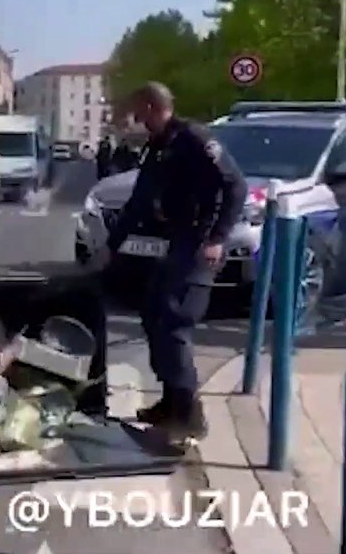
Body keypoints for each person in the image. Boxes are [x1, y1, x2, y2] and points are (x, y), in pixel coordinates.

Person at [105, 82, 247, 440]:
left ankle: (189, 415)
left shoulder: (194, 140)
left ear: (153, 107)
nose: (137, 119)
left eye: (140, 111)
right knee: (154, 314)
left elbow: (236, 186)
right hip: (176, 242)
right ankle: (169, 402)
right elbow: (140, 200)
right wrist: (112, 245)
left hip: (199, 244)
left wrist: (217, 238)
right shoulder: (157, 146)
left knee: (174, 320)